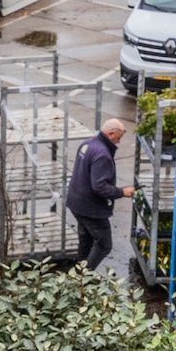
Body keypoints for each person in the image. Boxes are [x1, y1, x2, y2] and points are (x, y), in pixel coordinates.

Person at [65, 115, 134, 270]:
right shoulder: (103, 154)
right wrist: (122, 192)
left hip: (76, 203)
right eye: (118, 138)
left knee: (86, 241)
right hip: (91, 209)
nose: (119, 142)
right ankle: (84, 277)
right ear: (110, 134)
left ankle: (78, 275)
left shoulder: (87, 144)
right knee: (104, 244)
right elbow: (99, 187)